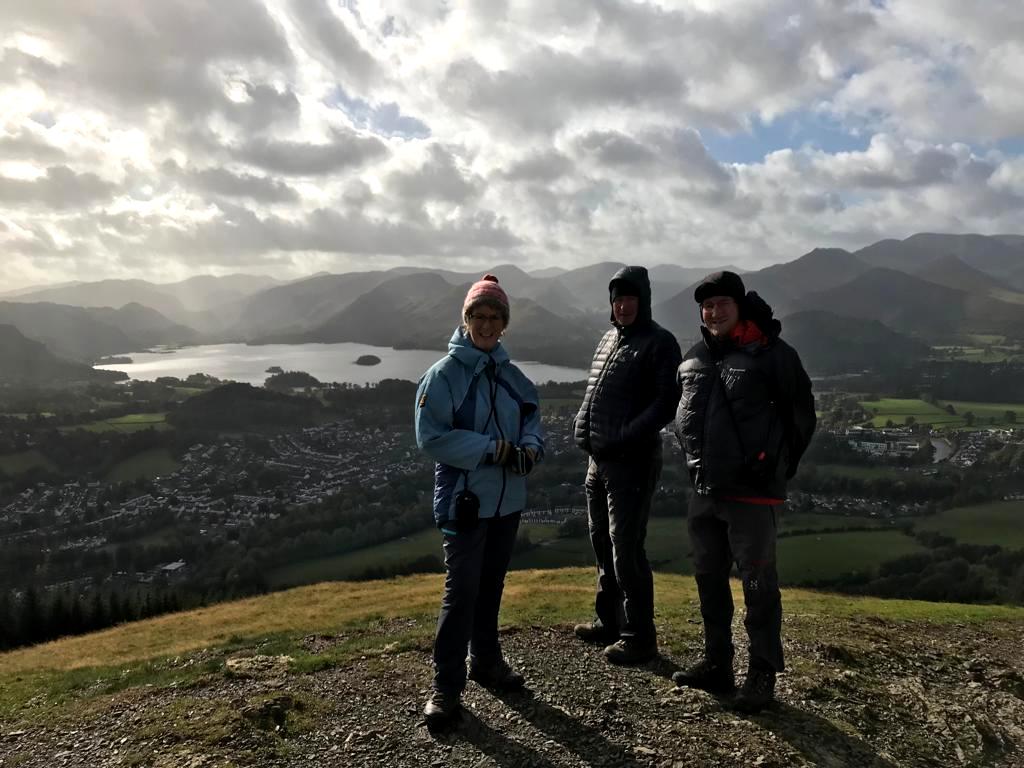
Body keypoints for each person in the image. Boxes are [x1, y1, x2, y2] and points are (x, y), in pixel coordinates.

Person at [672, 270, 816, 713]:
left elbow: (802, 416)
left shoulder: (773, 354)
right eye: (707, 305)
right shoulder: (695, 357)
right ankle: (717, 662)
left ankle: (762, 675)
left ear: (739, 307)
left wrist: (774, 467)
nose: (714, 312)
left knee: (758, 584)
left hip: (753, 493)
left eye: (722, 304)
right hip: (706, 487)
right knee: (708, 578)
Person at [414, 274, 545, 727]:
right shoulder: (445, 375)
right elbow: (431, 438)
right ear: (465, 319)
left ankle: (486, 661)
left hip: (507, 501)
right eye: (479, 316)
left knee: (490, 587)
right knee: (462, 593)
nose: (486, 324)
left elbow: (532, 418)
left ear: (504, 324)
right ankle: (446, 688)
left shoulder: (511, 375)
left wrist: (530, 449)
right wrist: (494, 450)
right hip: (464, 501)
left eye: (495, 317)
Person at [572, 266, 682, 665]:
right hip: (598, 462)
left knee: (626, 549)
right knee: (601, 540)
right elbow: (597, 391)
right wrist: (583, 422)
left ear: (644, 300)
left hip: (632, 464)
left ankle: (639, 636)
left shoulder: (659, 343)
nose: (622, 305)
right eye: (617, 299)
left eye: (630, 298)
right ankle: (611, 621)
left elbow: (666, 402)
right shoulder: (608, 339)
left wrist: (626, 436)